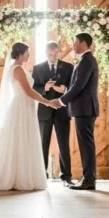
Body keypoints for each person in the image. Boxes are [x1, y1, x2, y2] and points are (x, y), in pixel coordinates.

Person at [0, 42, 49, 192]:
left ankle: (22, 176)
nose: (29, 56)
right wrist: (47, 102)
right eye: (27, 53)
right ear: (20, 54)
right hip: (21, 107)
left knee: (24, 140)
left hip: (26, 106)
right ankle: (16, 177)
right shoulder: (17, 69)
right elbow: (28, 91)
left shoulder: (18, 68)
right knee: (19, 139)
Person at [55, 32, 99, 190]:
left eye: (75, 42)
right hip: (84, 109)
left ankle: (89, 180)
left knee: (86, 146)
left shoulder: (87, 61)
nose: (73, 45)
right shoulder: (85, 60)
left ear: (83, 43)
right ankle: (89, 178)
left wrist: (60, 101)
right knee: (86, 145)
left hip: (85, 109)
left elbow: (78, 86)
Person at [32, 41, 73, 184]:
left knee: (64, 144)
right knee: (43, 144)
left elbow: (73, 87)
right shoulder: (37, 68)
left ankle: (66, 176)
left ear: (59, 51)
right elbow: (33, 89)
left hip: (62, 111)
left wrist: (64, 90)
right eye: (50, 53)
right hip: (44, 111)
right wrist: (44, 88)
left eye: (56, 53)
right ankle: (41, 176)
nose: (53, 56)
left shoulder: (68, 67)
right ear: (46, 53)